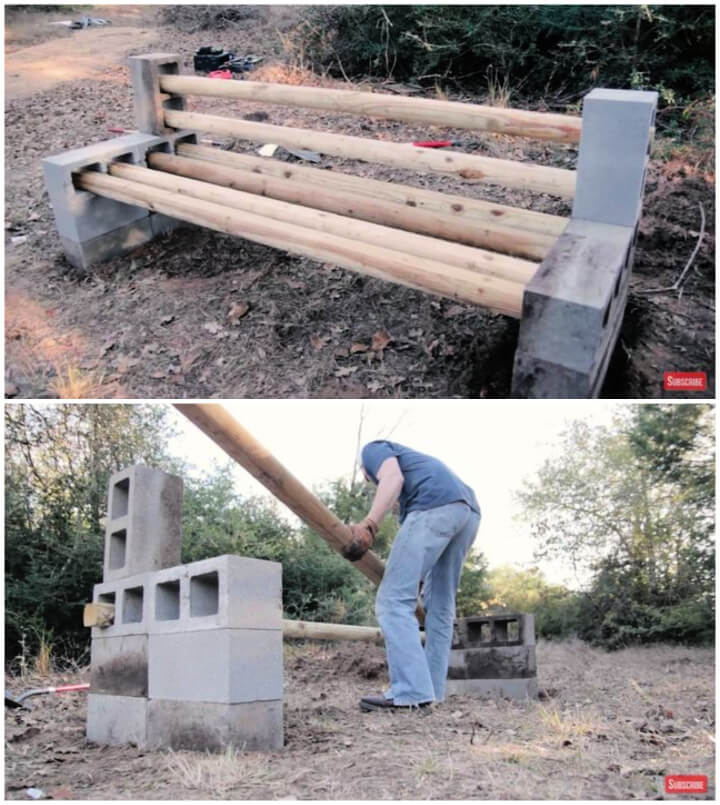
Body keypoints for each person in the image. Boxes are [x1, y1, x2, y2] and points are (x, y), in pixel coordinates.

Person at [343, 440, 481, 712]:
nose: (371, 481)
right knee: (440, 609)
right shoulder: (415, 490)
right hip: (468, 512)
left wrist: (369, 525)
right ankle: (431, 691)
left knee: (393, 600)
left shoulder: (373, 451)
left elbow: (392, 477)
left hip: (435, 505)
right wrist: (415, 580)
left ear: (364, 471)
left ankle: (410, 691)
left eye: (369, 479)